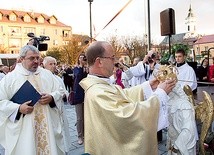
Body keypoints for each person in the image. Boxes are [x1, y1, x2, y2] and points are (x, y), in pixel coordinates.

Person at [79, 41, 176, 155]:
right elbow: (127, 116)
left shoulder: (100, 85)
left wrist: (148, 86)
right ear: (99, 61)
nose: (115, 62)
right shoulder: (97, 92)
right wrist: (160, 94)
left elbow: (122, 95)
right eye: (112, 58)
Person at [0, 45, 65, 155]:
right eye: (32, 58)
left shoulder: (47, 74)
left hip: (48, 126)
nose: (36, 61)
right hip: (25, 131)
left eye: (37, 58)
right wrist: (18, 108)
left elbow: (60, 90)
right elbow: (1, 101)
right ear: (22, 59)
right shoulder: (10, 79)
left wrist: (52, 97)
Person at [43, 56, 72, 153]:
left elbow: (64, 91)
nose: (53, 66)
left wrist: (65, 95)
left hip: (61, 110)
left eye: (55, 63)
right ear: (44, 65)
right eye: (50, 64)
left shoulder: (58, 78)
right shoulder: (42, 78)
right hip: (51, 111)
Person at [72, 53, 88, 145]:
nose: (82, 60)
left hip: (86, 94)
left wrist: (86, 67)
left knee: (86, 116)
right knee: (79, 118)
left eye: (84, 58)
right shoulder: (76, 68)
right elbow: (78, 77)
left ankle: (86, 134)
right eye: (80, 58)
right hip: (78, 95)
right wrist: (81, 66)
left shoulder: (88, 68)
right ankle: (80, 136)